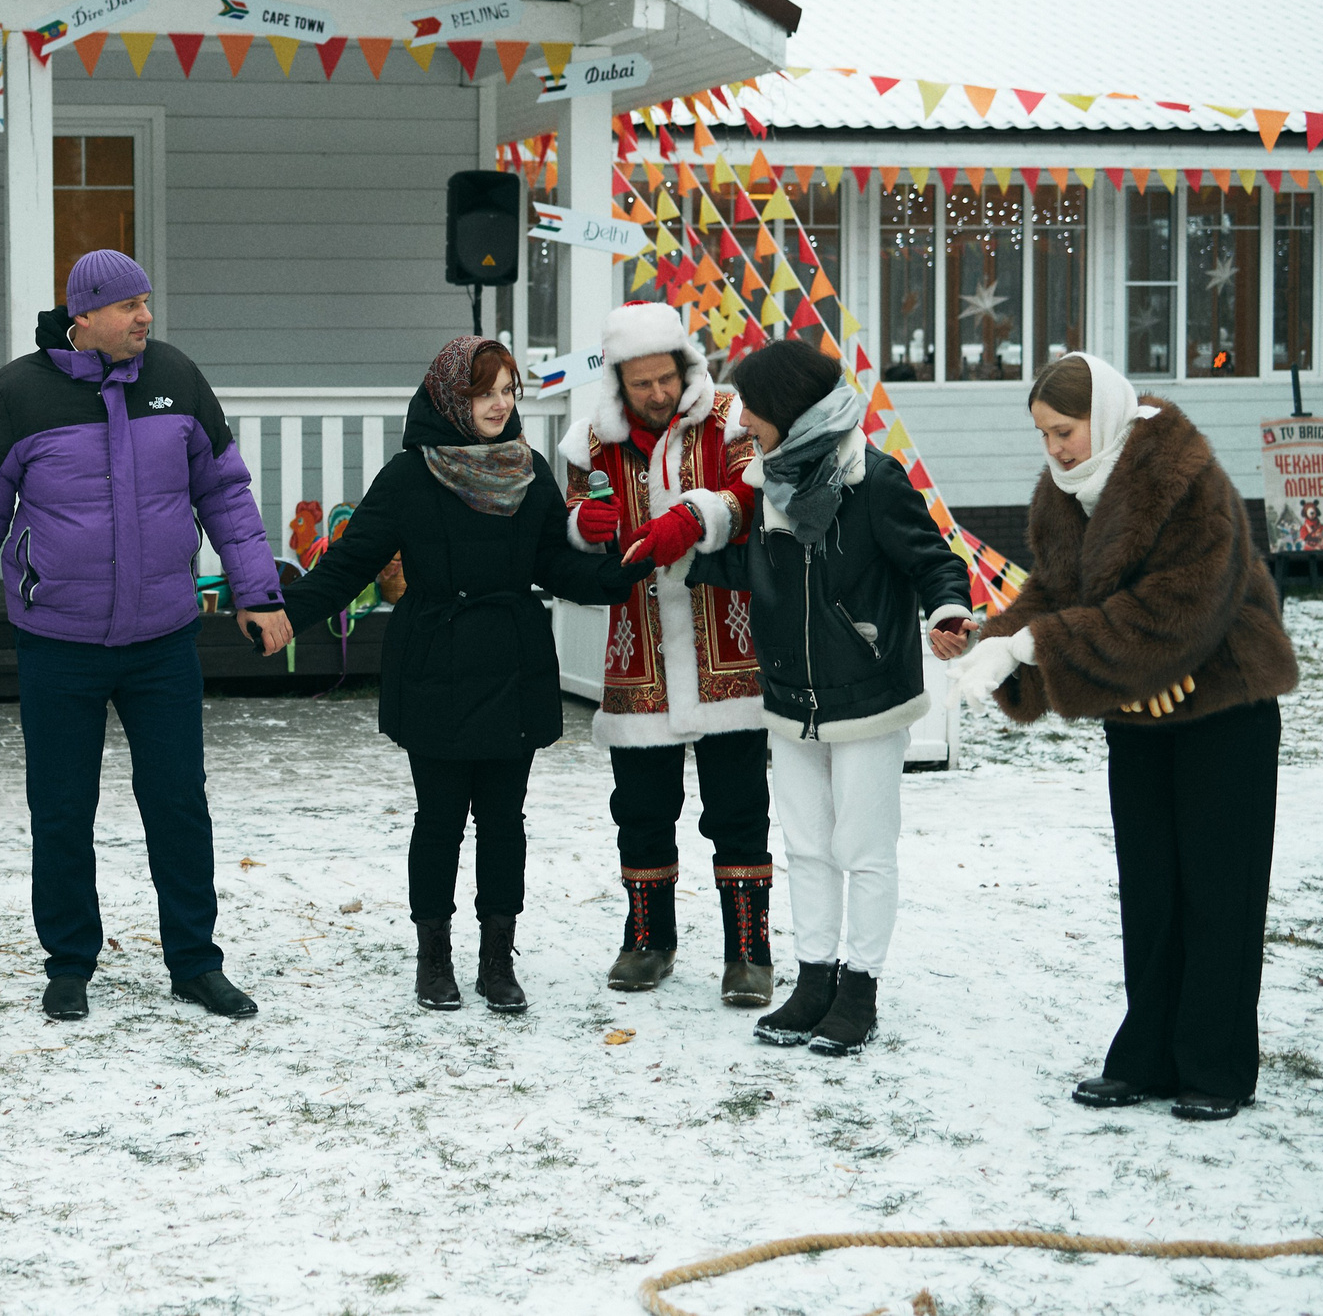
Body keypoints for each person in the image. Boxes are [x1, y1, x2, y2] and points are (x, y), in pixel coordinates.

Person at [0, 251, 288, 1024]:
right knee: (63, 808)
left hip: (163, 640)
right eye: (129, 305)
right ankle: (70, 963)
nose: (145, 317)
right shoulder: (19, 392)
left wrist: (258, 591)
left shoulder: (175, 377)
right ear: (85, 315)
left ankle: (196, 962)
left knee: (178, 802)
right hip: (57, 643)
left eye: (147, 302)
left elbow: (224, 492)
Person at [951, 353, 1298, 1120]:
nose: (1056, 448)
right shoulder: (1062, 495)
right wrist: (997, 642)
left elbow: (1181, 606)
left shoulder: (1182, 475)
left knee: (1218, 887)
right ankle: (1148, 1055)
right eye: (1044, 434)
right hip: (1140, 705)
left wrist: (1042, 644)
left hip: (1223, 699)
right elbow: (1055, 592)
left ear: (1102, 415)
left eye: (1065, 430)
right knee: (1150, 886)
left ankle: (1215, 1065)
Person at [284, 336, 645, 1012]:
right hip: (435, 662)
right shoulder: (410, 474)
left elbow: (553, 561)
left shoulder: (527, 468)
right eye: (485, 393)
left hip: (512, 659)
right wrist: (284, 616)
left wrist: (618, 570)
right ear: (452, 396)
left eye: (508, 391)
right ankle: (434, 958)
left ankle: (497, 960)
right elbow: (350, 563)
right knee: (440, 819)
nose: (499, 404)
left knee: (504, 820)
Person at [682, 338, 974, 1056]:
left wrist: (948, 612)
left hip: (868, 693)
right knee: (807, 847)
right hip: (790, 697)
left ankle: (860, 989)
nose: (742, 421)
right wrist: (683, 549)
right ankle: (814, 981)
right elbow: (761, 572)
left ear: (787, 407)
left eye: (751, 407)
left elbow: (933, 561)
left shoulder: (871, 478)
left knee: (863, 850)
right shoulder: (768, 483)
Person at [555, 301, 775, 1005]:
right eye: (641, 382)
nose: (657, 393)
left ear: (686, 366)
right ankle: (648, 941)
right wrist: (580, 525)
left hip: (726, 646)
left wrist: (699, 513)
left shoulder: (731, 419)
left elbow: (756, 490)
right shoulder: (591, 442)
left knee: (739, 806)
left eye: (666, 378)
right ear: (618, 381)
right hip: (639, 650)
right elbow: (573, 525)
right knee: (641, 807)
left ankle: (749, 951)